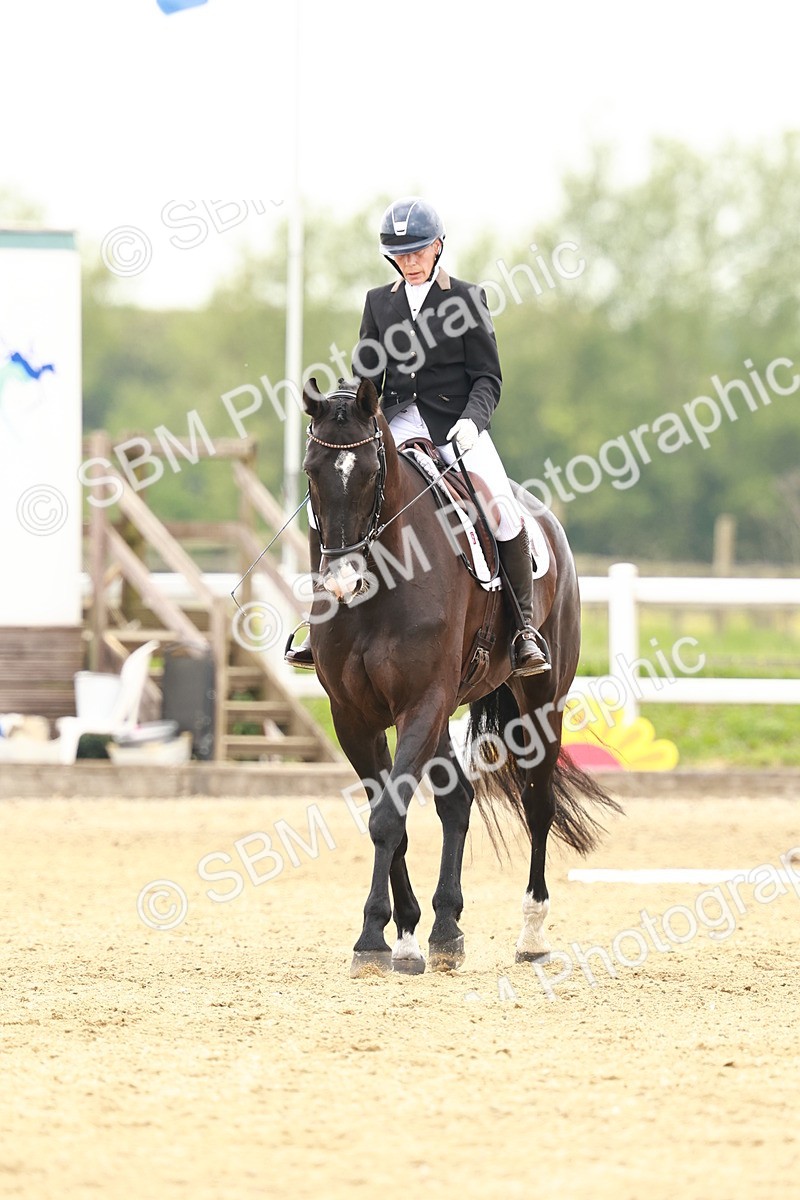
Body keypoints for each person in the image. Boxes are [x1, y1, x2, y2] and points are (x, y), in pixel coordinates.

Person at [286, 196, 550, 676]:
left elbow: (488, 377)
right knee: (331, 500)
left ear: (438, 248)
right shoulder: (378, 302)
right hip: (397, 422)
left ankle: (524, 631)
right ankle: (320, 615)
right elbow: (368, 377)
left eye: (417, 252)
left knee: (503, 512)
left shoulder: (466, 299)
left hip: (458, 425)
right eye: (400, 254)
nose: (409, 261)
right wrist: (345, 413)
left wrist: (473, 421)